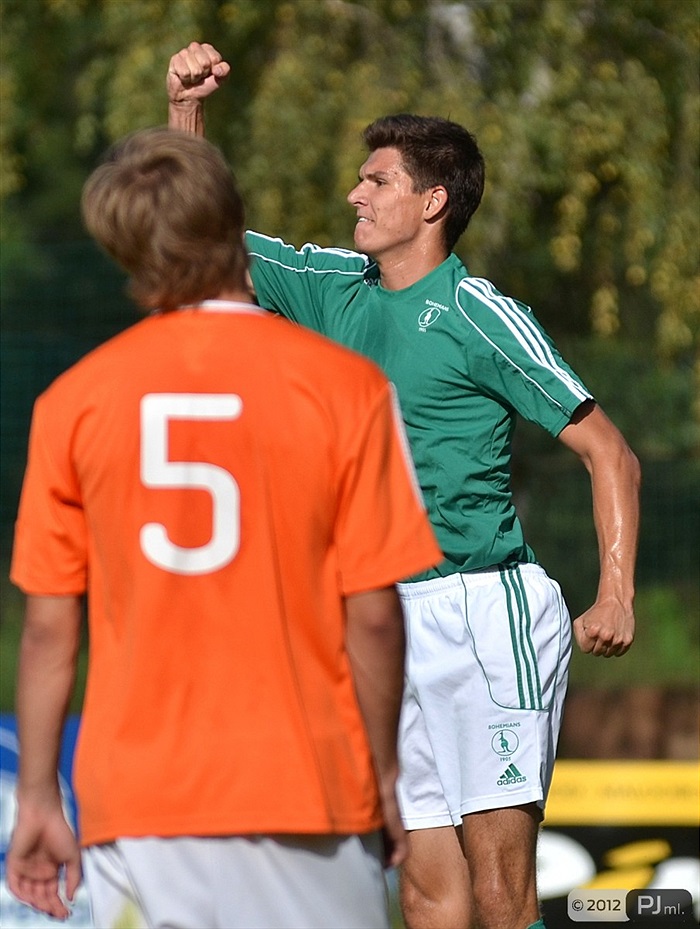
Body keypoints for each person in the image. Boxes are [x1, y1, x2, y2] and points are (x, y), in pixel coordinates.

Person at [166, 42, 641, 929]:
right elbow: (201, 243)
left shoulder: (477, 312)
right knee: (426, 893)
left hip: (483, 613)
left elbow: (610, 452)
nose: (356, 194)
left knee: (500, 891)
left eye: (376, 180)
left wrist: (615, 591)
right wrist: (186, 115)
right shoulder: (333, 288)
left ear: (431, 202)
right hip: (382, 619)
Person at [6, 127, 443, 929]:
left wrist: (38, 795)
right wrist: (383, 773)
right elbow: (375, 617)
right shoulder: (346, 388)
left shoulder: (72, 402)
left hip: (135, 805)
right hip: (305, 788)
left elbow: (47, 630)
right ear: (235, 223)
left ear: (126, 252)